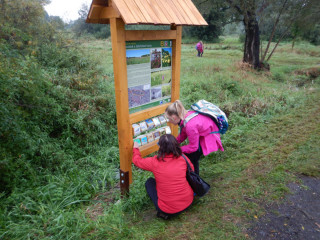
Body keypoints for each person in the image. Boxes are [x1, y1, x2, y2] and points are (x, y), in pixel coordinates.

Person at [132, 134, 194, 220]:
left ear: (161, 147)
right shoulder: (183, 158)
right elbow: (192, 170)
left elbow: (137, 161)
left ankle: (162, 212)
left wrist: (135, 149)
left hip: (168, 210)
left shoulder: (155, 162)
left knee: (149, 182)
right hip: (188, 201)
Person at [165, 100, 224, 175]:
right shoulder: (185, 116)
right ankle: (193, 177)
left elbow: (193, 147)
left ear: (174, 118)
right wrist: (173, 143)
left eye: (169, 118)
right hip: (201, 134)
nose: (169, 121)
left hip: (206, 137)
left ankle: (196, 180)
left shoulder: (190, 126)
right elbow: (183, 133)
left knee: (193, 157)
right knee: (191, 158)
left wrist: (176, 149)